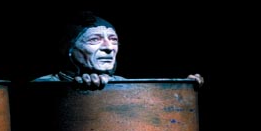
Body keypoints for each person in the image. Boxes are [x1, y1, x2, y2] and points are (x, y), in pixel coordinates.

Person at [33, 10, 204, 90]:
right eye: (95, 40)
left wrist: (184, 88)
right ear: (69, 48)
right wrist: (72, 89)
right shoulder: (43, 86)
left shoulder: (123, 85)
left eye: (113, 40)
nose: (108, 48)